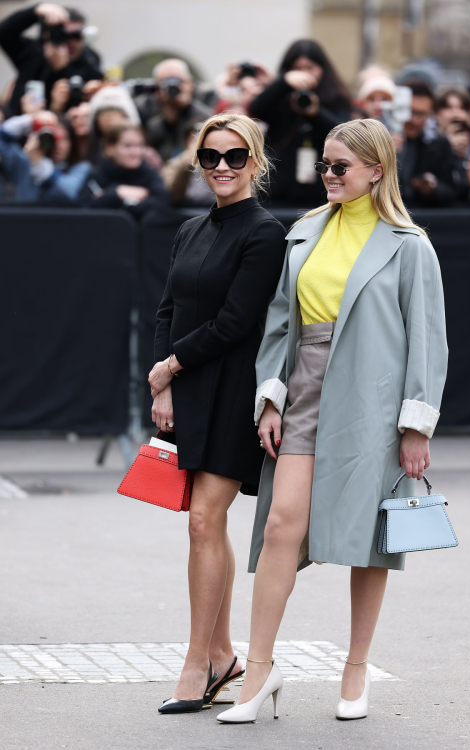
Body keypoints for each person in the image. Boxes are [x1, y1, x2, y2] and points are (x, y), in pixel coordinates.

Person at [217, 118, 448, 724]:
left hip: (374, 399)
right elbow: (277, 322)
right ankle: (259, 675)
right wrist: (270, 397)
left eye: (340, 166)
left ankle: (355, 670)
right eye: (323, 164)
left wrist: (416, 425)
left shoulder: (408, 243)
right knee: (280, 526)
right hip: (304, 388)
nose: (328, 175)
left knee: (370, 543)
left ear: (377, 169)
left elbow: (427, 340)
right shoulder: (304, 233)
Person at [149, 113, 286, 715]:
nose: (222, 167)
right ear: (198, 162)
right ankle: (223, 655)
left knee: (204, 522)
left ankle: (197, 661)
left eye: (234, 156)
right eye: (210, 157)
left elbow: (237, 322)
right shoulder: (188, 228)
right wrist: (163, 386)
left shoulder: (264, 232)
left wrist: (172, 367)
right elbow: (166, 310)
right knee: (208, 525)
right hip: (184, 390)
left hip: (231, 391)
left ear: (255, 161)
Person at [249, 39, 351, 207]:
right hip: (277, 191)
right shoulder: (279, 95)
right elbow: (256, 109)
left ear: (322, 69)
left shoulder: (336, 97)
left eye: (310, 68)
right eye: (297, 68)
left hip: (321, 191)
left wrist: (316, 113)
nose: (304, 74)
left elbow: (345, 133)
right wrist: (282, 83)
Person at [0, 3, 102, 117]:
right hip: (16, 122)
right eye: (64, 35)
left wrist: (62, 69)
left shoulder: (89, 61)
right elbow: (4, 33)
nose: (71, 43)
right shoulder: (34, 52)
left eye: (76, 36)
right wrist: (35, 11)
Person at [82, 122, 169, 220]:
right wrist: (117, 192)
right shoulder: (97, 174)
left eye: (140, 146)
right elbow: (85, 209)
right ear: (110, 148)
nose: (135, 152)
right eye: (127, 146)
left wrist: (124, 205)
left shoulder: (150, 173)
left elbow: (162, 205)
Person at [0, 109, 90, 203]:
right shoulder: (25, 163)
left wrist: (39, 162)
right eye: (53, 138)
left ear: (72, 141)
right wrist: (31, 120)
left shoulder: (81, 167)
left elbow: (68, 192)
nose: (58, 144)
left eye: (64, 138)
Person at [397, 80, 459, 207]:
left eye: (420, 114)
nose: (413, 120)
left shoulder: (438, 143)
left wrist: (433, 189)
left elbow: (453, 191)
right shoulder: (378, 138)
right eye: (409, 112)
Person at [138, 58, 212, 162]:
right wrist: (168, 118)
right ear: (157, 88)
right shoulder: (147, 114)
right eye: (166, 82)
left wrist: (187, 105)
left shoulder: (205, 116)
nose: (173, 86)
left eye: (179, 81)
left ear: (190, 83)